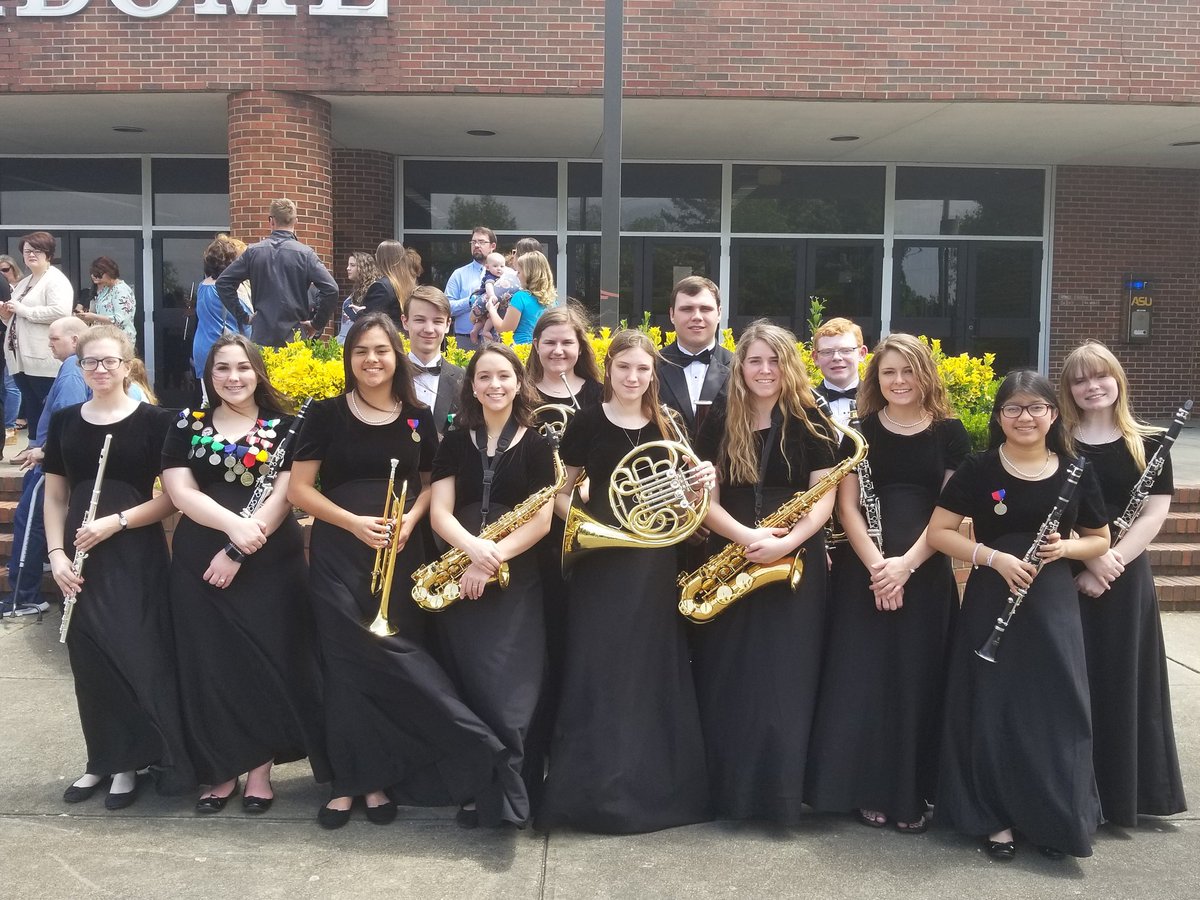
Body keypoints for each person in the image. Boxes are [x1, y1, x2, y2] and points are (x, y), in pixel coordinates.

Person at [288, 312, 506, 830]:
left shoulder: (416, 415)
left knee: (391, 663)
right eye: (361, 350)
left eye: (381, 350)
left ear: (397, 355)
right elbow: (299, 490)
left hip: (402, 553)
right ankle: (351, 782)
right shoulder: (324, 414)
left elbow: (435, 481)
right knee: (345, 665)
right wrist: (352, 523)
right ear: (350, 358)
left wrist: (410, 519)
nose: (371, 360)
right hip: (340, 553)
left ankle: (390, 774)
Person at [927, 370, 1110, 861]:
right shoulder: (980, 468)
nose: (1025, 417)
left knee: (1055, 708)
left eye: (1035, 408)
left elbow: (1101, 539)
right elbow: (939, 533)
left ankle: (1053, 820)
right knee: (993, 707)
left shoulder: (1077, 468)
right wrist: (993, 557)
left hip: (1051, 601)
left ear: (1053, 414)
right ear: (999, 416)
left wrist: (1067, 546)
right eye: (1013, 408)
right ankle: (995, 820)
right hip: (992, 594)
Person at [539, 329, 715, 834]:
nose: (633, 378)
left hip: (656, 560)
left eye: (642, 370)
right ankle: (594, 797)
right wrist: (598, 527)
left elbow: (686, 496)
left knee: (651, 668)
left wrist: (698, 483)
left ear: (651, 374)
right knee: (600, 669)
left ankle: (656, 795)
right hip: (603, 562)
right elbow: (559, 492)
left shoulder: (670, 422)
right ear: (609, 370)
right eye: (624, 368)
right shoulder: (586, 423)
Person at [805, 333, 971, 833]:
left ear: (926, 375)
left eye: (907, 371)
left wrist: (906, 566)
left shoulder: (951, 432)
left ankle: (914, 792)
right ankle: (866, 789)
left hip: (927, 565)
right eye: (887, 373)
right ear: (875, 378)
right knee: (866, 679)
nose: (898, 381)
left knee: (916, 678)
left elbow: (953, 512)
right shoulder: (858, 430)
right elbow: (846, 507)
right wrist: (879, 565)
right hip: (867, 568)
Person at [162, 334, 329, 815]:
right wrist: (233, 526)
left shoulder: (287, 425)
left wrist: (238, 548)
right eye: (221, 369)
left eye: (241, 367)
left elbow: (286, 492)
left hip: (268, 558)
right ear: (208, 375)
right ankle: (220, 768)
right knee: (210, 663)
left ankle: (259, 770)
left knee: (267, 661)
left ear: (257, 372)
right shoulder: (187, 422)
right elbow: (179, 489)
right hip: (200, 553)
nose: (232, 378)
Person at [689, 321, 839, 823]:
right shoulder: (717, 420)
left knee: (786, 678)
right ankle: (729, 795)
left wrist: (788, 542)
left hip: (796, 557)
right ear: (740, 367)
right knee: (729, 673)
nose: (765, 370)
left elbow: (824, 497)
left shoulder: (812, 419)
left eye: (774, 360)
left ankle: (780, 797)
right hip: (734, 550)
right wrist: (747, 537)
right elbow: (702, 499)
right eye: (755, 360)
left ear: (789, 365)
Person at [43, 324, 194, 809]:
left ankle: (135, 761)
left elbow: (173, 499)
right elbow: (55, 496)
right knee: (89, 660)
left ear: (128, 366)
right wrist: (56, 556)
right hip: (77, 552)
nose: (101, 370)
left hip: (132, 551)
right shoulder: (66, 420)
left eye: (110, 361)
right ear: (79, 367)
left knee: (134, 653)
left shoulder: (156, 421)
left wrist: (116, 522)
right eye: (91, 362)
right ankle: (103, 760)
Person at [426, 343, 557, 828]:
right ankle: (478, 791)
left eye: (504, 376)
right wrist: (472, 553)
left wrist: (493, 556)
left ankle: (516, 795)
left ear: (519, 382)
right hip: (460, 571)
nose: (495, 385)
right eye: (484, 377)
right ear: (472, 386)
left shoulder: (540, 443)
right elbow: (440, 512)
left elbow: (542, 520)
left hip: (515, 580)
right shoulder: (456, 441)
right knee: (469, 687)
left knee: (512, 693)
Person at [1058, 342, 1186, 827]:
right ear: (1069, 389)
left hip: (1124, 574)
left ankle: (1123, 796)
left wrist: (1110, 560)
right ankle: (1076, 791)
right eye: (1080, 379)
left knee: (1121, 679)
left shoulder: (1150, 441)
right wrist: (1086, 560)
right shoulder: (1060, 440)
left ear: (1118, 380)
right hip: (1069, 570)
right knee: (1075, 681)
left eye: (1101, 376)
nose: (1092, 386)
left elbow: (1155, 512)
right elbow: (1051, 504)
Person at [1, 317, 89, 619]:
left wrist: (44, 451)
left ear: (75, 340)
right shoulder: (71, 369)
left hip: (50, 464)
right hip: (48, 459)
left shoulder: (73, 375)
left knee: (29, 527)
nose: (49, 344)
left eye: (54, 339)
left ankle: (22, 598)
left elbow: (70, 421)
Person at [214, 198, 339, 347]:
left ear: (271, 221)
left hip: (262, 336)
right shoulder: (305, 254)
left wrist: (243, 316)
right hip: (295, 338)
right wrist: (316, 323)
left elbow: (223, 282)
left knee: (261, 370)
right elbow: (331, 289)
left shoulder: (254, 252)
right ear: (296, 221)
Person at [1, 231, 73, 437]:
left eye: (37, 251)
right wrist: (5, 315)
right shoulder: (25, 282)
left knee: (47, 406)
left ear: (48, 254)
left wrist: (24, 310)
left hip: (42, 358)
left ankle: (49, 451)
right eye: (27, 251)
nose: (31, 255)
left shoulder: (55, 280)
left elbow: (61, 311)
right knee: (32, 406)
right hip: (19, 358)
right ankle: (34, 446)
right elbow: (15, 319)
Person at [657, 275, 731, 438]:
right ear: (672, 314)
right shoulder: (650, 367)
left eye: (705, 309)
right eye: (687, 309)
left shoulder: (740, 367)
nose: (696, 316)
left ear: (719, 313)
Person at [402, 285, 463, 440]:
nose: (429, 329)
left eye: (437, 321)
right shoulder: (389, 375)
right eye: (420, 320)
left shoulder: (464, 380)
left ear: (448, 325)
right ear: (405, 321)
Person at [193, 235, 252, 392]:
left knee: (208, 398)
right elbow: (247, 322)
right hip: (225, 349)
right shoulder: (229, 289)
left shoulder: (202, 286)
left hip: (203, 346)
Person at [485, 250, 556, 345]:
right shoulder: (552, 300)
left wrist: (492, 310)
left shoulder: (520, 297)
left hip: (521, 351)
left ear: (528, 274)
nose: (517, 276)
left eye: (519, 272)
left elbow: (505, 330)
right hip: (542, 350)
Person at [444, 227, 498, 350]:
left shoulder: (506, 274)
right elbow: (445, 307)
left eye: (482, 242)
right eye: (473, 242)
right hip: (465, 340)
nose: (477, 245)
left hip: (495, 340)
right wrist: (471, 302)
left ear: (492, 246)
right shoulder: (459, 274)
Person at [812, 317, 869, 427]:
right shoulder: (803, 404)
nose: (836, 358)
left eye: (846, 351)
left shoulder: (879, 400)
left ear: (862, 353)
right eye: (827, 352)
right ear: (815, 358)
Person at [77, 257, 137, 343]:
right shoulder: (106, 289)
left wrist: (94, 317)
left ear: (109, 273)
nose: (95, 277)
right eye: (93, 274)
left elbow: (120, 320)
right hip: (105, 338)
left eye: (98, 274)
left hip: (120, 340)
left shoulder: (121, 290)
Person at [361, 240, 419, 330]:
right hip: (405, 338)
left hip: (387, 338)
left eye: (377, 254)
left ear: (381, 259)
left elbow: (370, 321)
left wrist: (356, 313)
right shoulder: (408, 283)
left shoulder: (381, 287)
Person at [0, 254, 27, 442]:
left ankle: (9, 428)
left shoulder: (22, 288)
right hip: (5, 338)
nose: (2, 274)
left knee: (12, 386)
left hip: (15, 341)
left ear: (13, 269)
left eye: (5, 270)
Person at [467, 251, 511, 344]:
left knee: (483, 319)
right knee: (492, 315)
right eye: (495, 266)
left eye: (502, 266)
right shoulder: (490, 276)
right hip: (485, 299)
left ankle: (475, 330)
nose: (499, 269)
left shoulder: (500, 276)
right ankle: (485, 331)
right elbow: (488, 286)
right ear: (487, 267)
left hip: (482, 300)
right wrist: (492, 296)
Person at [339, 251, 379, 344]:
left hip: (357, 340)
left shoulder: (372, 290)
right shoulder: (357, 290)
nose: (348, 268)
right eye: (348, 265)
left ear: (363, 267)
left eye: (352, 265)